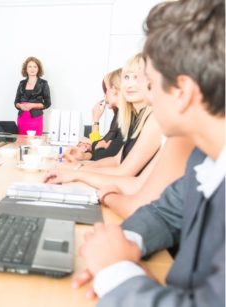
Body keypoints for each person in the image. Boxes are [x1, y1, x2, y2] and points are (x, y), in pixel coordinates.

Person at [74, 0, 224, 305]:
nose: (149, 98)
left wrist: (118, 274)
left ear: (182, 93)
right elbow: (165, 212)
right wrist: (120, 246)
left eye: (151, 85)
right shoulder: (205, 157)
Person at [45, 53, 162, 182]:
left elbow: (110, 159)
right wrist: (77, 165)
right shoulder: (129, 118)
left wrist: (76, 170)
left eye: (136, 77)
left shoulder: (150, 119)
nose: (129, 84)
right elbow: (115, 159)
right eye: (127, 77)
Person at [63, 68, 123, 162]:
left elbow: (102, 154)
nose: (105, 95)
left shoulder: (126, 119)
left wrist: (95, 120)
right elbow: (98, 147)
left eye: (107, 89)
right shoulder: (118, 116)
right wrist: (83, 156)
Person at [14, 56, 51, 136]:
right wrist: (20, 106)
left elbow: (47, 103)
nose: (32, 69)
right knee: (21, 143)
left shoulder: (43, 83)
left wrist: (33, 105)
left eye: (35, 66)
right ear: (26, 69)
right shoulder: (21, 83)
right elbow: (16, 102)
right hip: (22, 118)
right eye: (30, 66)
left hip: (35, 118)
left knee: (34, 144)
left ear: (38, 69)